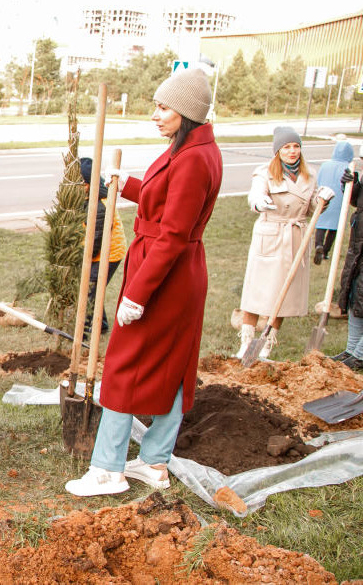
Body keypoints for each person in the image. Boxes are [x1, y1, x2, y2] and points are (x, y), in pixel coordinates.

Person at [65, 68, 223, 497]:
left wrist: (136, 294)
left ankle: (107, 470)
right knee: (173, 364)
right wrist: (124, 184)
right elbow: (165, 201)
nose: (155, 114)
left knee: (124, 365)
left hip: (163, 273)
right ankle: (154, 462)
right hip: (172, 269)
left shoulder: (193, 159)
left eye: (163, 107)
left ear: (187, 112)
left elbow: (173, 234)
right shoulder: (193, 147)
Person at [235, 127, 333, 360]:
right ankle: (246, 343)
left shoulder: (309, 175)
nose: (292, 151)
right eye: (286, 147)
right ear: (277, 150)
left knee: (283, 295)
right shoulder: (265, 172)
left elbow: (309, 209)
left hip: (295, 237)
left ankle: (267, 344)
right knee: (256, 292)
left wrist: (322, 200)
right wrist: (260, 202)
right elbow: (255, 196)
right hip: (270, 235)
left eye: (296, 146)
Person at [79, 156, 127, 337]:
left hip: (109, 253)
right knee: (94, 287)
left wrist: (86, 258)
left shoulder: (99, 204)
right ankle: (102, 323)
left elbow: (97, 238)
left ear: (87, 184)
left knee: (90, 288)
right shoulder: (88, 197)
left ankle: (85, 330)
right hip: (97, 251)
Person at [333, 162, 363, 370]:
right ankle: (352, 350)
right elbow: (357, 201)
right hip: (359, 242)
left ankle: (360, 354)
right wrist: (352, 187)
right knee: (356, 293)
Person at [314, 141, 355, 264]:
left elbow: (318, 180)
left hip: (324, 197)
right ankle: (326, 251)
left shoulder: (325, 165)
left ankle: (318, 245)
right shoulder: (348, 168)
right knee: (334, 227)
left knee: (321, 224)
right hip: (339, 200)